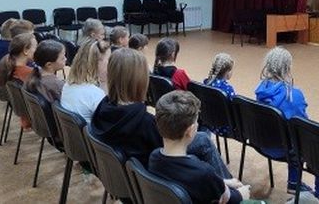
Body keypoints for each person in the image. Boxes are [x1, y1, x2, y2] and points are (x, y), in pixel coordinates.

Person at [90, 48, 232, 180]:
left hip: (124, 179)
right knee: (203, 140)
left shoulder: (102, 109)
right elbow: (167, 153)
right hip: (155, 177)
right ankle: (227, 187)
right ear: (140, 81)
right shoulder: (144, 123)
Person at [149, 90, 250, 204]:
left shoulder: (154, 157)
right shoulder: (203, 172)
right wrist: (242, 194)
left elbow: (206, 183)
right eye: (197, 122)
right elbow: (231, 200)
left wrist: (223, 182)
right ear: (190, 131)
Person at [255, 47, 319, 201]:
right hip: (285, 149)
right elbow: (302, 125)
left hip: (263, 143)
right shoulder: (294, 95)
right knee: (318, 145)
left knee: (288, 134)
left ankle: (294, 181)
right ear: (288, 68)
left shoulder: (260, 90)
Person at [0, 32, 38, 128]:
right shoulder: (28, 73)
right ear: (25, 50)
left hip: (25, 113)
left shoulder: (8, 65)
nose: (37, 50)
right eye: (35, 47)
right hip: (35, 118)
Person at [60, 39, 109, 124]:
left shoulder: (67, 84)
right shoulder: (96, 95)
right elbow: (109, 124)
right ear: (97, 63)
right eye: (109, 59)